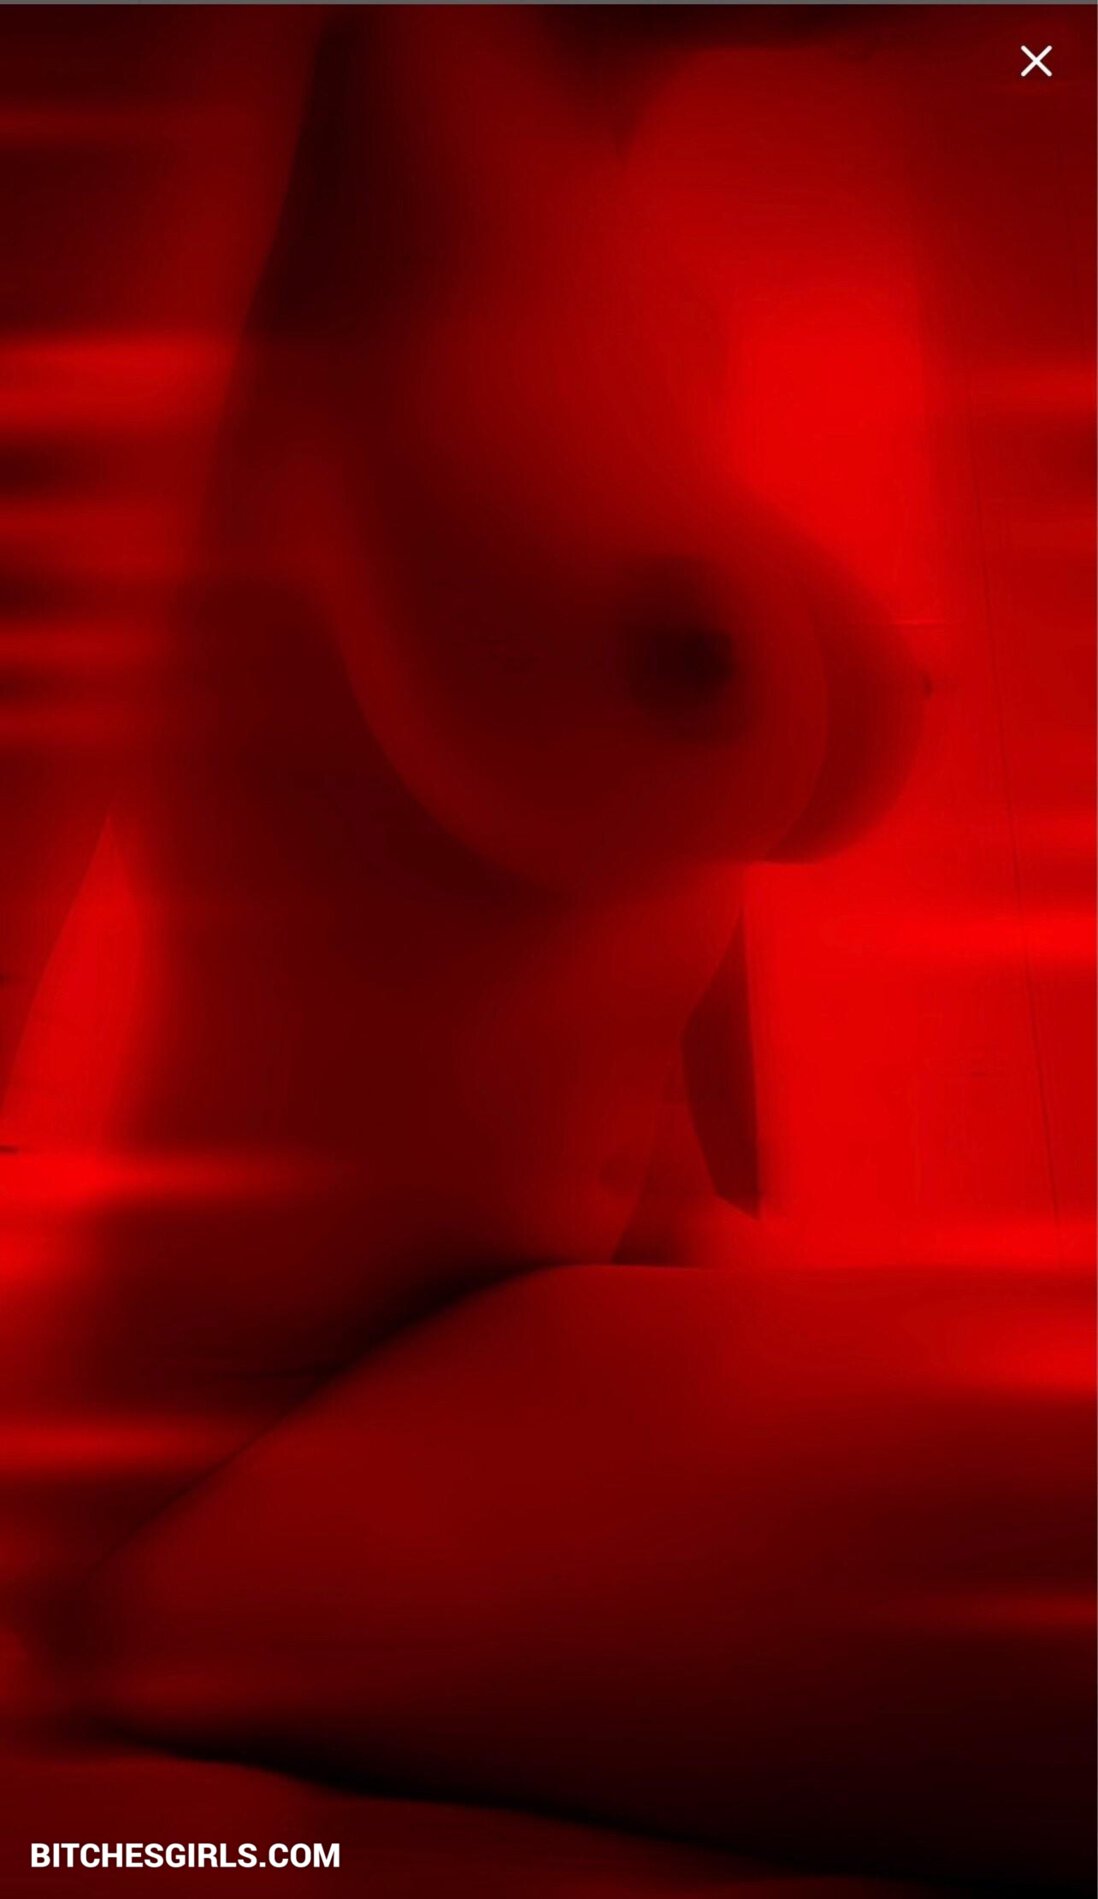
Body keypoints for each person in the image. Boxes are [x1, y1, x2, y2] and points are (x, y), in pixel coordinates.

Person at [36, 13, 1086, 1889]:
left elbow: (594, 908)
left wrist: (746, 1288)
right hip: (227, 1405)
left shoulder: (637, 237)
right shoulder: (234, 61)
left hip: (546, 1325)